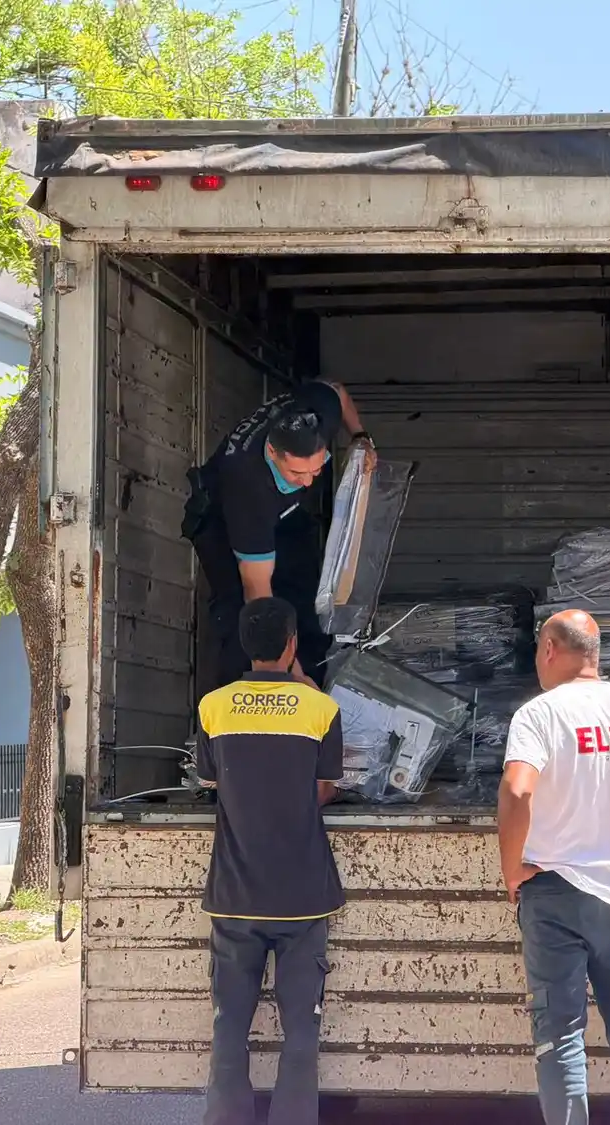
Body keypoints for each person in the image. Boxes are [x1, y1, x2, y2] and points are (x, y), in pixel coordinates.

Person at [497, 610, 610, 1125]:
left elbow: (516, 789)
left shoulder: (540, 714)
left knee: (560, 1034)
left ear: (550, 649)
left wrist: (512, 870)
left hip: (555, 891)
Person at [195, 597, 346, 1125]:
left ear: (245, 645)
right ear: (292, 645)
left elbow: (212, 784)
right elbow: (325, 789)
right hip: (303, 899)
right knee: (302, 1031)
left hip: (235, 897)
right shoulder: (321, 709)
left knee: (228, 1027)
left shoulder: (213, 707)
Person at [183, 380, 374, 690]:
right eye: (297, 474)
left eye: (316, 469)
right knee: (247, 625)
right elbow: (257, 592)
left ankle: (313, 690)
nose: (309, 482)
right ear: (273, 451)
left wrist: (360, 437)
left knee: (305, 601)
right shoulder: (247, 489)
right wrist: (292, 672)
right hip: (222, 524)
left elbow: (337, 393)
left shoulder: (318, 411)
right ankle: (242, 710)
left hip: (282, 513)